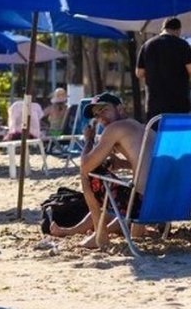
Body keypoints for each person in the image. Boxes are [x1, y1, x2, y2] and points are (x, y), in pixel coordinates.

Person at [48, 93, 146, 248]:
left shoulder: (114, 128)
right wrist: (122, 163)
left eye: (104, 110)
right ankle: (134, 233)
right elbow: (147, 165)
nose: (101, 117)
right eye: (97, 115)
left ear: (120, 109)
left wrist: (89, 140)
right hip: (172, 200)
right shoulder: (142, 128)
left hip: (142, 206)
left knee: (87, 174)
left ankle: (100, 236)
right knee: (128, 190)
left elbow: (86, 165)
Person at [136, 18, 191, 120]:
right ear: (178, 30)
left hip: (154, 103)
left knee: (154, 134)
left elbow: (139, 73)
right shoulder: (182, 44)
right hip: (178, 103)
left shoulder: (147, 45)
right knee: (177, 133)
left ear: (163, 29)